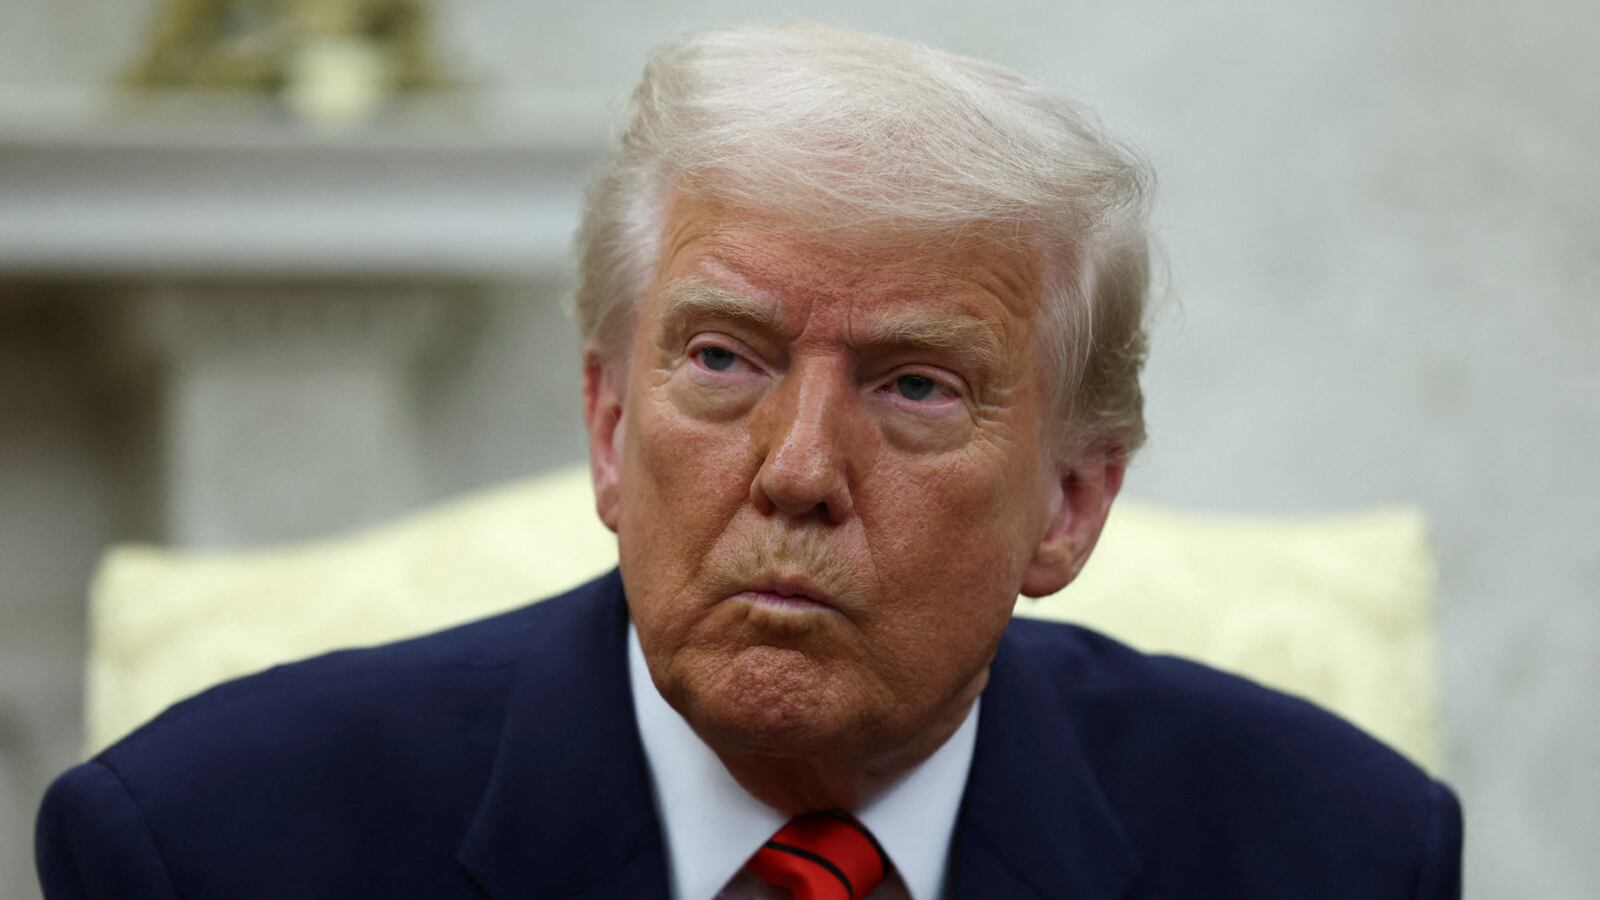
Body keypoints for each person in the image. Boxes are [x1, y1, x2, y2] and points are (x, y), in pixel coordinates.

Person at [35, 24, 1461, 900]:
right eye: (722, 359)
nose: (797, 473)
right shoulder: (209, 850)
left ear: (1071, 502)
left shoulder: (1333, 854)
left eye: (913, 386)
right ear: (608, 428)